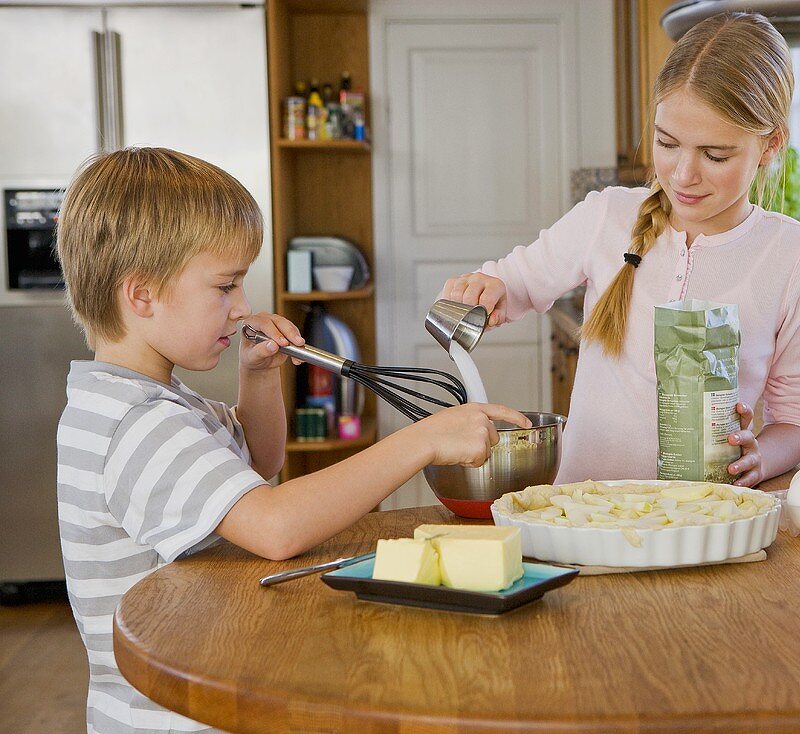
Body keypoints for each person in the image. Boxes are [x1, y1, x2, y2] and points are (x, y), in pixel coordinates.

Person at [55, 147, 529, 734]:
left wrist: (256, 375)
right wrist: (423, 441)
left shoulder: (156, 401)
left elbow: (259, 458)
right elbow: (274, 526)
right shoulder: (139, 424)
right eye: (225, 287)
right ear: (142, 296)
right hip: (171, 718)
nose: (243, 308)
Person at [442, 12, 800, 487]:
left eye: (715, 155)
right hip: (586, 512)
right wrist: (486, 289)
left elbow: (797, 419)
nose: (684, 174)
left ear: (770, 145)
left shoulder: (798, 257)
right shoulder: (606, 217)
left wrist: (762, 458)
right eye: (667, 143)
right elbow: (516, 282)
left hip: (704, 524)